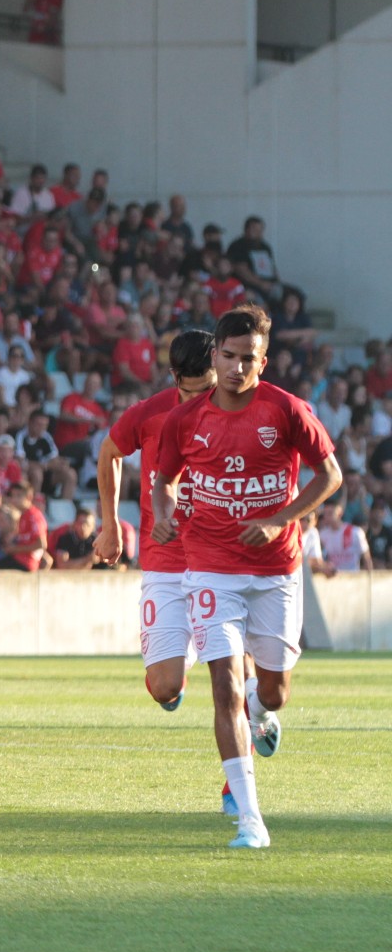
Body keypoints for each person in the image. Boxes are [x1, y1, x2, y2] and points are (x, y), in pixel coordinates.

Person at [150, 305, 342, 850]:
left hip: (277, 568)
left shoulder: (286, 409)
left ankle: (262, 709)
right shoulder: (185, 420)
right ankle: (249, 817)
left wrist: (281, 518)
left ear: (265, 359)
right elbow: (164, 480)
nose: (237, 368)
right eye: (228, 357)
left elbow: (331, 475)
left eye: (248, 359)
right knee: (223, 686)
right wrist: (165, 513)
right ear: (215, 355)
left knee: (274, 692)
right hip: (209, 565)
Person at [92, 329, 217, 711]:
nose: (200, 403)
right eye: (192, 393)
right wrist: (111, 525)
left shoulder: (237, 412)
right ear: (175, 378)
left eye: (208, 390)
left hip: (221, 559)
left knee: (234, 671)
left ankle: (256, 723)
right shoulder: (150, 414)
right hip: (164, 558)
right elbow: (109, 453)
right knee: (165, 687)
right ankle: (182, 655)